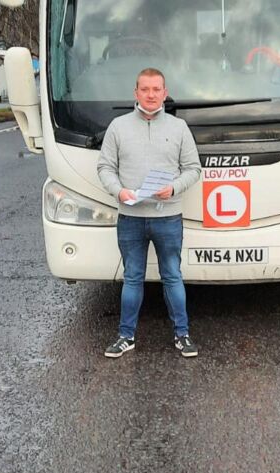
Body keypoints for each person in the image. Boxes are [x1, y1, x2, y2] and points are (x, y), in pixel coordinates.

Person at [97, 68, 202, 358]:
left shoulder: (179, 128)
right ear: (136, 93)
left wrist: (173, 189)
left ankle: (183, 335)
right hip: (130, 218)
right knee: (132, 278)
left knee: (172, 276)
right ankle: (125, 336)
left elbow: (194, 169)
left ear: (165, 93)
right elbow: (105, 167)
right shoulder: (117, 127)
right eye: (145, 89)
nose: (151, 95)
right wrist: (118, 191)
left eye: (157, 89)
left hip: (168, 217)